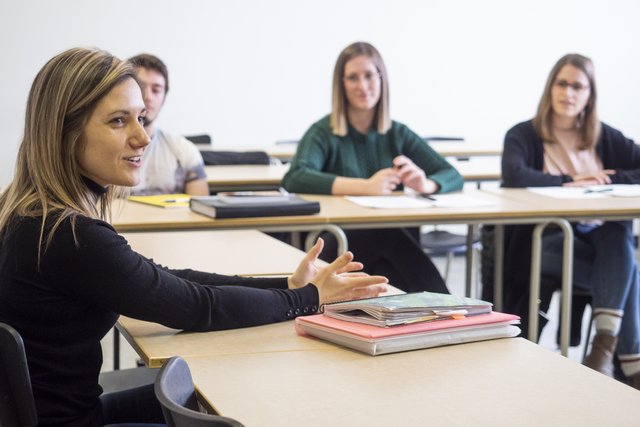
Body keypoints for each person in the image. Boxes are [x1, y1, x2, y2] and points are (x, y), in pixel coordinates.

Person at [0, 47, 388, 426]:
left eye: (141, 117)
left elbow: (168, 280)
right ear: (64, 132)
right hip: (75, 421)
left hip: (63, 412)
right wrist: (308, 299)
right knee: (233, 399)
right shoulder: (68, 237)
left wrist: (287, 286)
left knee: (216, 392)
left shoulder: (30, 215)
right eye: (119, 121)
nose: (142, 137)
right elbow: (195, 306)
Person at [501, 53, 640, 389]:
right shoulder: (523, 134)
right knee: (629, 269)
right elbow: (515, 174)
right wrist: (571, 180)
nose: (569, 93)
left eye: (578, 86)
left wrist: (609, 178)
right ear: (551, 88)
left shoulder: (603, 136)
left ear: (589, 95)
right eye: (562, 84)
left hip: (600, 242)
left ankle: (603, 352)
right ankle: (629, 365)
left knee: (617, 233)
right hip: (545, 242)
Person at [282, 41, 463, 295]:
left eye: (369, 76)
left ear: (381, 80)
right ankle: (446, 305)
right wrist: (365, 187)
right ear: (341, 85)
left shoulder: (398, 133)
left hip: (393, 245)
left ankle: (439, 307)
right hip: (339, 243)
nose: (363, 86)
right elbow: (295, 177)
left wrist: (426, 183)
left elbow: (452, 174)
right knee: (381, 232)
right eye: (353, 78)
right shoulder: (323, 132)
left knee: (387, 236)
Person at [127, 53, 209, 196]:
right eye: (140, 87)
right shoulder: (105, 151)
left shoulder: (185, 151)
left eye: (156, 90)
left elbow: (201, 211)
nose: (148, 96)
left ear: (164, 96)